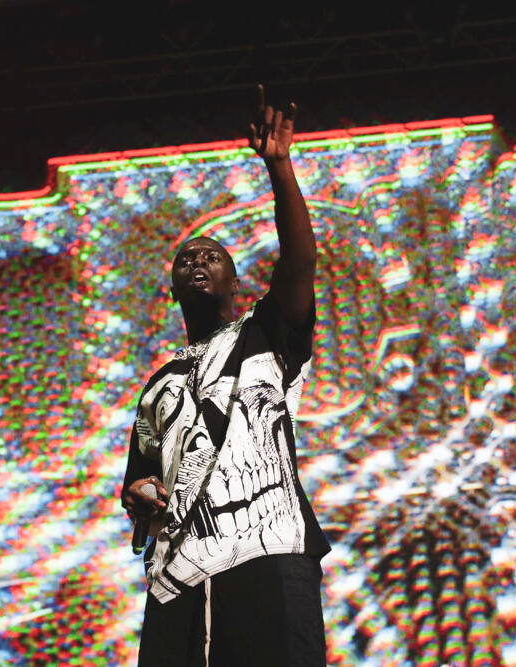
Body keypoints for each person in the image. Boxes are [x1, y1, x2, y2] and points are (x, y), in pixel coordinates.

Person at [121, 85, 330, 667]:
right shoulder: (159, 384)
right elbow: (139, 476)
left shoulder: (265, 334)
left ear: (236, 284)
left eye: (211, 256)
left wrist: (279, 166)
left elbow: (300, 263)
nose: (196, 261)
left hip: (266, 551)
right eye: (186, 259)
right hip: (178, 574)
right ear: (172, 289)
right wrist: (139, 493)